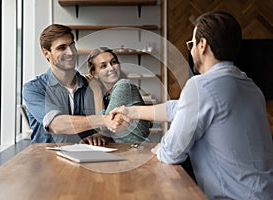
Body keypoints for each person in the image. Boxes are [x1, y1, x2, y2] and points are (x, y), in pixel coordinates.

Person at [110, 11, 273, 199]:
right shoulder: (250, 87)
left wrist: (160, 147)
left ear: (202, 44)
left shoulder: (201, 86)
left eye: (192, 44)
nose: (191, 49)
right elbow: (179, 108)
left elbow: (172, 153)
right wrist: (130, 111)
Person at [22, 24, 128, 145]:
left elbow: (110, 129)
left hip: (86, 159)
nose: (71, 52)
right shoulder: (34, 89)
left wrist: (100, 135)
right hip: (48, 159)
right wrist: (104, 120)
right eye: (62, 48)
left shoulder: (92, 85)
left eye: (72, 45)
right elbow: (57, 124)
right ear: (46, 53)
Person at [86, 47, 150, 143]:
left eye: (113, 62)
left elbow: (104, 124)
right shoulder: (107, 94)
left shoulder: (123, 85)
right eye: (103, 66)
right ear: (94, 73)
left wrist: (96, 91)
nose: (111, 68)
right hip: (120, 150)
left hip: (138, 150)